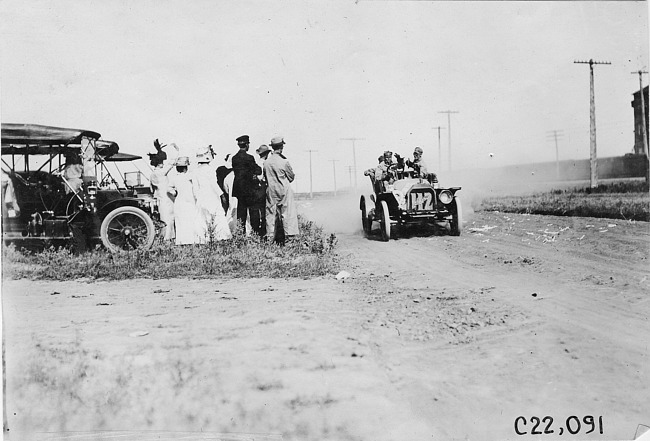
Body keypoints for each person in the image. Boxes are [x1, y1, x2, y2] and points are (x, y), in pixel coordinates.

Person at [263, 136, 299, 243]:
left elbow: (265, 177)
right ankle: (289, 238)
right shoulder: (284, 162)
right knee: (287, 213)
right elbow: (291, 177)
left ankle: (270, 238)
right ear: (281, 147)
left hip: (271, 190)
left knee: (270, 214)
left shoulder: (266, 162)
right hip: (284, 190)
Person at [192, 145, 231, 242]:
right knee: (218, 218)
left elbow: (195, 188)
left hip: (202, 198)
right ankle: (221, 238)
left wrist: (198, 198)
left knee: (202, 219)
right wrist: (221, 195)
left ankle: (203, 239)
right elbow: (214, 184)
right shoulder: (210, 169)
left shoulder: (195, 171)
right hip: (212, 196)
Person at [231, 135, 262, 235]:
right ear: (247, 144)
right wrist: (253, 174)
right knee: (254, 213)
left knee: (241, 214)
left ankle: (241, 234)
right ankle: (256, 234)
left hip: (240, 191)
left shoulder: (234, 158)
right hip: (250, 190)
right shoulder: (249, 158)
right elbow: (258, 170)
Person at [149, 140, 179, 241]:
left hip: (160, 197)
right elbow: (171, 164)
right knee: (169, 217)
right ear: (160, 163)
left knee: (164, 217)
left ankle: (165, 236)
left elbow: (152, 189)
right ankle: (168, 237)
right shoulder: (161, 172)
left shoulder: (152, 174)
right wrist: (177, 151)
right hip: (167, 197)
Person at [167, 156, 197, 245]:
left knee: (181, 221)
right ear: (186, 167)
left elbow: (168, 188)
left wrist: (174, 193)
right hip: (190, 201)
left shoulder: (175, 178)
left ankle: (181, 241)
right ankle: (191, 240)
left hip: (180, 201)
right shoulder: (190, 176)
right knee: (190, 220)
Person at [252, 144, 271, 237]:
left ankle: (257, 231)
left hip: (256, 189)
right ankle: (263, 231)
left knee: (257, 211)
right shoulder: (265, 163)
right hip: (262, 188)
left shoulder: (257, 162)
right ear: (267, 154)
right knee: (264, 211)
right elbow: (261, 177)